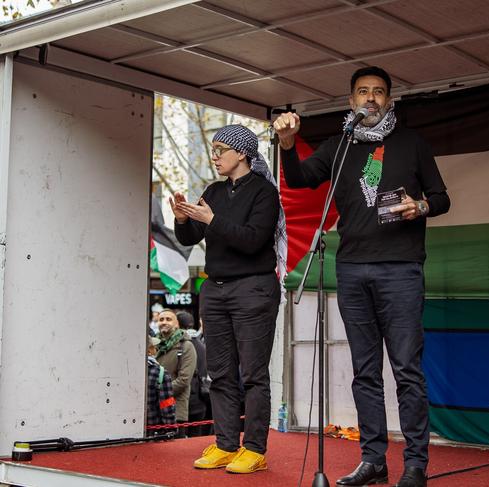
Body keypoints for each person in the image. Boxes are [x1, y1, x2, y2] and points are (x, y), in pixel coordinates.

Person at [273, 66, 450, 487]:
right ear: (351, 101)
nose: (370, 98)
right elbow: (298, 180)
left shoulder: (413, 144)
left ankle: (414, 465)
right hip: (351, 268)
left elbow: (442, 197)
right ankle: (373, 460)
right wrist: (286, 143)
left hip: (401, 268)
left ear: (389, 100)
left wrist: (420, 207)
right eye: (362, 92)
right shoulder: (340, 145)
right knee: (364, 371)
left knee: (406, 368)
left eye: (378, 92)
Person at [171, 124, 284, 474]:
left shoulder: (265, 192)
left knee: (252, 373)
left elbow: (252, 241)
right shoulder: (214, 191)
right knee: (219, 373)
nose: (215, 155)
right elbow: (194, 236)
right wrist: (181, 221)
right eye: (213, 149)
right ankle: (224, 444)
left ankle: (253, 449)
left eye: (221, 149)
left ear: (242, 153)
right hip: (215, 289)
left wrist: (212, 219)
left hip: (253, 288)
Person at [156, 308, 197, 438]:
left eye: (168, 319)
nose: (164, 322)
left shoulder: (186, 346)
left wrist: (158, 393)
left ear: (177, 324)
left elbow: (184, 380)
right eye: (161, 319)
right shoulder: (154, 345)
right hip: (155, 412)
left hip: (175, 412)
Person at [177, 310, 211, 437]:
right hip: (201, 400)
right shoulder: (201, 345)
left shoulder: (183, 345)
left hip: (185, 401)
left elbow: (184, 378)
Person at [146, 335, 176, 435]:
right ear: (149, 351)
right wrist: (171, 429)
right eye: (154, 347)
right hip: (153, 431)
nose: (156, 350)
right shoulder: (160, 373)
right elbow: (167, 404)